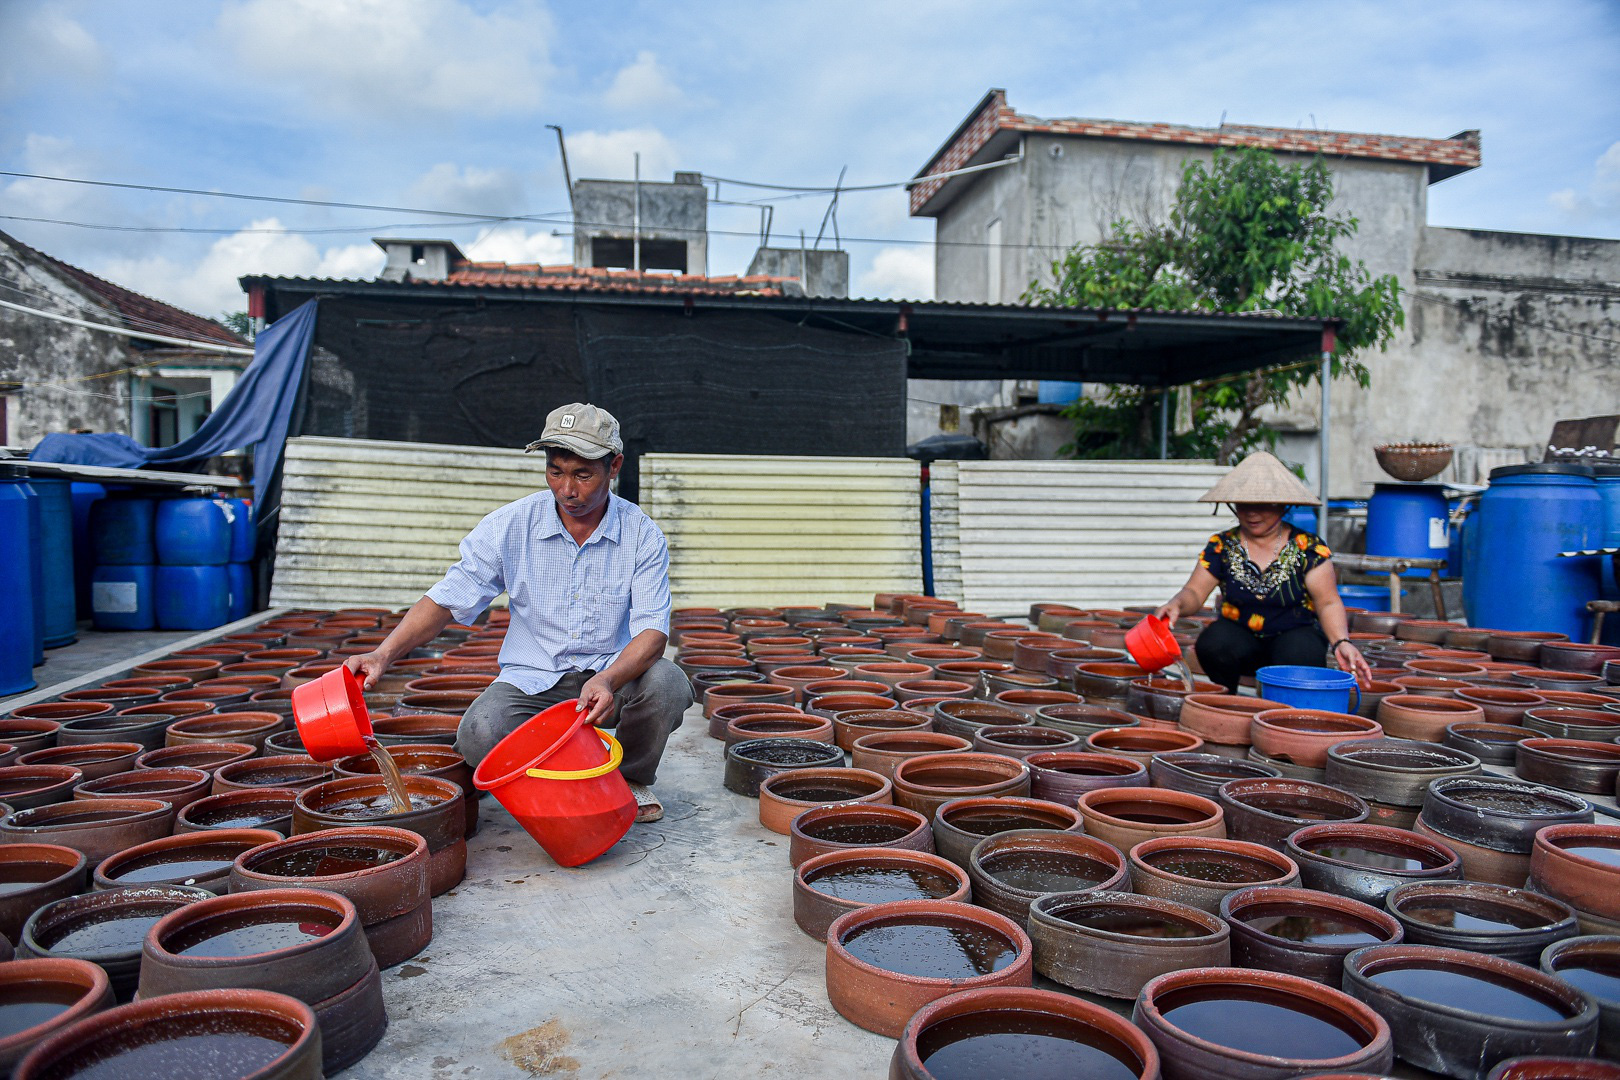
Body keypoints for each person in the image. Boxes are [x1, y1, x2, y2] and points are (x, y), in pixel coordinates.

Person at [345, 402, 691, 823]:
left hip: (612, 678)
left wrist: (608, 677)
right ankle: (552, 783)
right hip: (535, 681)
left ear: (614, 466)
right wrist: (383, 654)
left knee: (668, 684)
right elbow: (448, 598)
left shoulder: (642, 536)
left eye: (584, 475)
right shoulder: (509, 526)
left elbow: (653, 633)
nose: (567, 489)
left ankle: (629, 779)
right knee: (479, 732)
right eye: (556, 471)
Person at [1154, 451, 1372, 694]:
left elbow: (1328, 602)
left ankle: (1284, 711)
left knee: (1301, 651)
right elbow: (1195, 591)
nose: (1252, 513)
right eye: (1244, 505)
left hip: (1294, 637)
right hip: (1240, 638)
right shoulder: (1222, 545)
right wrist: (1176, 604)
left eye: (1262, 505)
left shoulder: (1308, 547)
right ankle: (1226, 700)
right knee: (1214, 642)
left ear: (1282, 505)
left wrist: (1341, 642)